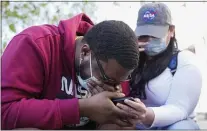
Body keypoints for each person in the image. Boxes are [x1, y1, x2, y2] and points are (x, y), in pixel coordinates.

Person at [1, 13, 140, 130]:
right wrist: (80, 108)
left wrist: (120, 113)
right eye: (106, 79)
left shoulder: (114, 68)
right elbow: (4, 112)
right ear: (85, 52)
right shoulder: (36, 44)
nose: (112, 86)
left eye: (119, 82)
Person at [98, 2, 202, 130]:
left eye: (155, 35)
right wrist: (127, 55)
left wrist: (146, 115)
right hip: (136, 124)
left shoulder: (184, 60)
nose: (149, 40)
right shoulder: (136, 58)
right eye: (144, 35)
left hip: (173, 124)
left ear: (171, 31)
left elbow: (180, 109)